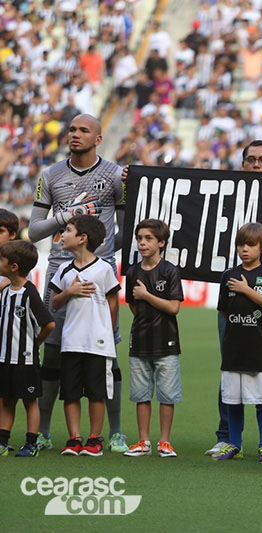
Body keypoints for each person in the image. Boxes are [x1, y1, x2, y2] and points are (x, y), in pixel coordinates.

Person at [29, 113, 127, 453]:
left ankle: (114, 432)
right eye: (72, 129)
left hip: (101, 276)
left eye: (84, 130)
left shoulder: (116, 175)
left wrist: (106, 254)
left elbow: (126, 227)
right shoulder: (50, 175)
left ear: (98, 138)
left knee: (107, 356)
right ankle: (42, 431)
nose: (75, 134)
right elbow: (34, 230)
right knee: (53, 354)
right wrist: (68, 215)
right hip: (60, 274)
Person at [205, 140, 262, 459]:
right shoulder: (227, 197)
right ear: (242, 164)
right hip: (233, 290)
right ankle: (228, 436)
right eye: (250, 160)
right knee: (233, 361)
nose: (256, 165)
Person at [49, 216, 120, 456]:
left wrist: (107, 331)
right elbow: (55, 303)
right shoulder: (64, 270)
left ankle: (94, 438)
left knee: (96, 392)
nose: (63, 235)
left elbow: (113, 302)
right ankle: (74, 438)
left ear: (82, 238)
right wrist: (69, 291)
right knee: (70, 392)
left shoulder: (104, 269)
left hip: (98, 343)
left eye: (67, 230)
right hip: (71, 341)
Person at [213, 223, 262, 462]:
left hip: (258, 347)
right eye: (241, 244)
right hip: (233, 347)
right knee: (233, 399)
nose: (244, 249)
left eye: (250, 245)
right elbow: (223, 310)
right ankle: (234, 445)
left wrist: (246, 289)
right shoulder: (228, 275)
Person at [123, 219, 184, 458]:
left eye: (148, 239)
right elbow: (133, 306)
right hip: (139, 342)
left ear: (161, 242)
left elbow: (173, 307)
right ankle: (143, 441)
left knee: (167, 396)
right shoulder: (132, 272)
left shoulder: (169, 271)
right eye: (139, 238)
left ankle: (165, 442)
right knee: (141, 394)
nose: (142, 243)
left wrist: (147, 296)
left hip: (167, 343)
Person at [0, 241, 55, 457]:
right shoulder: (5, 291)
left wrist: (36, 342)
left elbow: (49, 324)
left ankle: (31, 442)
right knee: (6, 399)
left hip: (25, 360)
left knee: (30, 400)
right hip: (5, 357)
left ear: (13, 266)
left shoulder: (29, 293)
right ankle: (3, 441)